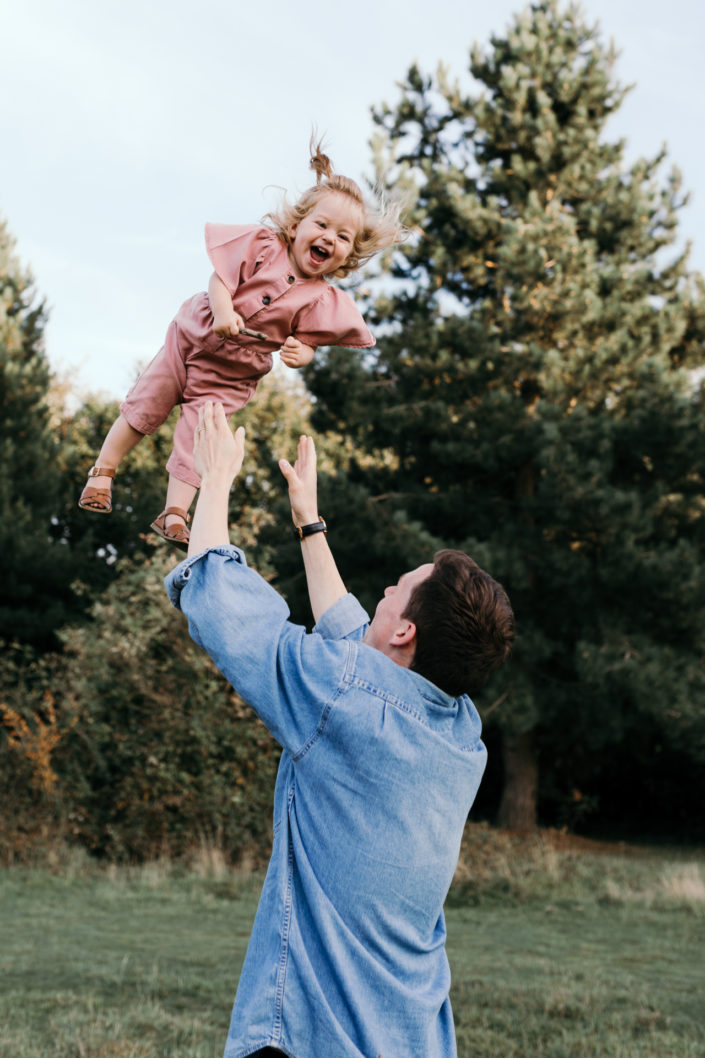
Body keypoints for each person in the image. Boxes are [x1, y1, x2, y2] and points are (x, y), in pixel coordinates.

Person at [164, 401, 515, 1058]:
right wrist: (309, 522)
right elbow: (359, 643)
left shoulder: (342, 697)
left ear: (406, 629)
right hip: (410, 1039)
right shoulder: (460, 735)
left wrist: (213, 481)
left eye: (397, 587)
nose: (382, 587)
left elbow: (223, 604)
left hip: (310, 1037)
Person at [78, 137, 405, 550]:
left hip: (231, 373)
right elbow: (220, 279)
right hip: (193, 336)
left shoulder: (321, 299)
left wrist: (302, 354)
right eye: (321, 225)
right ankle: (103, 472)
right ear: (296, 227)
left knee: (201, 434)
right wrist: (222, 312)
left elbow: (306, 341)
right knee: (147, 402)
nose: (329, 238)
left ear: (348, 255)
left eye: (343, 236)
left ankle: (175, 512)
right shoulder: (264, 247)